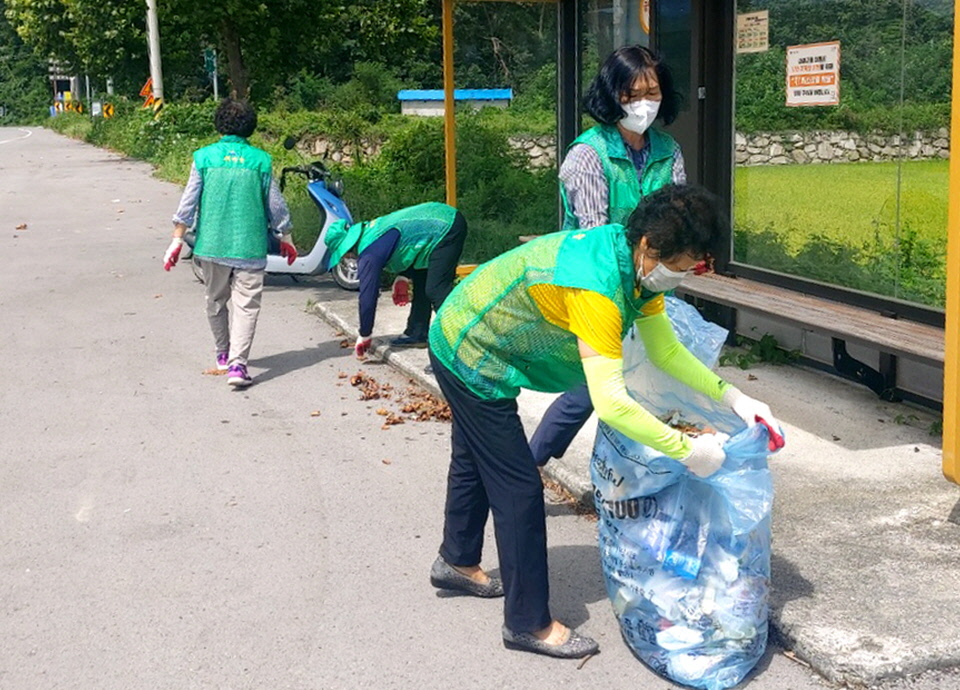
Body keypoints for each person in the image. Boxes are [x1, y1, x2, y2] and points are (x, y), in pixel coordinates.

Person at [426, 185, 782, 659]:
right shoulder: (599, 285)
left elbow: (666, 351)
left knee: (473, 455)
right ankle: (528, 623)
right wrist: (688, 450)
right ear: (649, 248)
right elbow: (611, 403)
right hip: (468, 350)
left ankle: (456, 561)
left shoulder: (634, 271)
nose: (683, 276)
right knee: (518, 488)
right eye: (680, 266)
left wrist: (734, 397)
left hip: (472, 333)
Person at [530, 44, 686, 466]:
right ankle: (530, 467)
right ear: (611, 95)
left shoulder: (667, 151)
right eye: (631, 95)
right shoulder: (589, 154)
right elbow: (596, 235)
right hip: (596, 285)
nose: (643, 104)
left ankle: (630, 475)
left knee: (645, 384)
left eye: (651, 92)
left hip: (649, 284)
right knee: (594, 385)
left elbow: (677, 217)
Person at [162, 98, 296, 388]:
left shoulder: (204, 157)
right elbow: (276, 204)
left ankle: (223, 355)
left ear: (218, 124)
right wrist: (285, 237)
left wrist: (176, 241)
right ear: (251, 126)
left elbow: (188, 202)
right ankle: (238, 366)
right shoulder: (260, 160)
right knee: (247, 305)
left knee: (215, 300)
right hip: (249, 245)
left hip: (211, 245)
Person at [323, 202, 467, 359]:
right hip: (438, 224)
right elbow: (408, 241)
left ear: (347, 250)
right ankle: (417, 333)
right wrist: (403, 277)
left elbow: (367, 297)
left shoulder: (368, 254)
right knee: (422, 280)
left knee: (436, 290)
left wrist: (365, 334)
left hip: (446, 226)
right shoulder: (371, 233)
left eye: (343, 255)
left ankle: (463, 346)